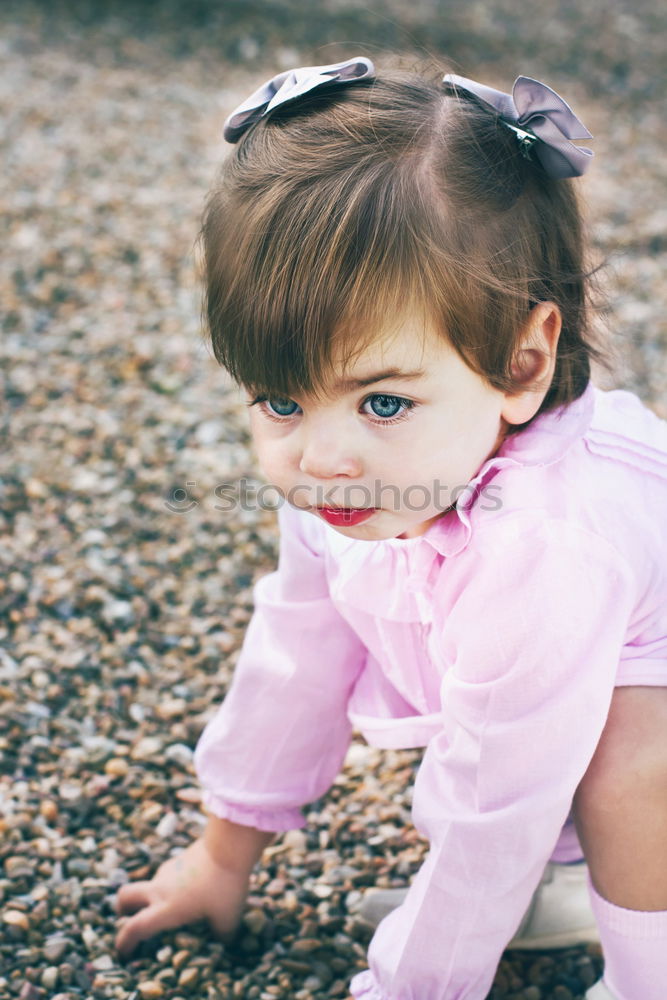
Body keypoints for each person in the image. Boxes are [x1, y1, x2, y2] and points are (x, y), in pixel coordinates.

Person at [113, 57, 667, 1000]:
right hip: (533, 707)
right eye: (280, 400)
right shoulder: (367, 480)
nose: (320, 457)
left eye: (380, 401)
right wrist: (222, 856)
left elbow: (492, 800)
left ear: (521, 362)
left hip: (613, 702)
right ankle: (556, 882)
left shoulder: (543, 542)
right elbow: (294, 654)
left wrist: (413, 983)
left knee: (632, 762)